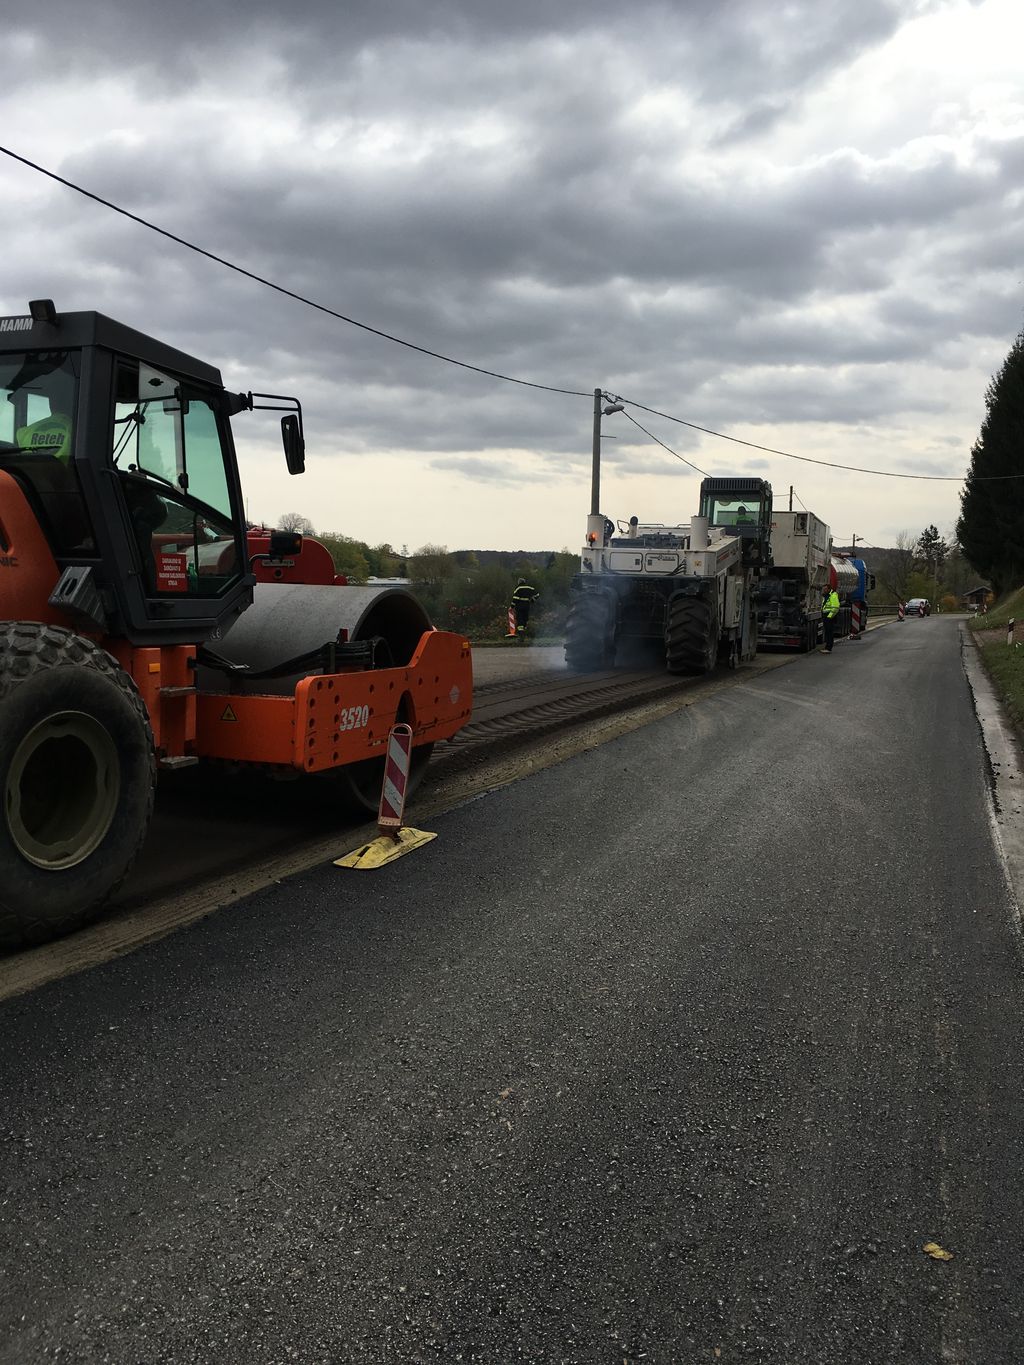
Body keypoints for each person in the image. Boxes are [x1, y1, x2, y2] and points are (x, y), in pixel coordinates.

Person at [821, 583, 840, 653]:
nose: (824, 590)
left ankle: (829, 648)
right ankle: (827, 647)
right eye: (823, 589)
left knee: (829, 633)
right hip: (826, 616)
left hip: (829, 617)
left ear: (829, 589)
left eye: (825, 589)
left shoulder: (833, 595)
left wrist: (829, 617)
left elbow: (835, 607)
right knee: (827, 632)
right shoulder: (826, 596)